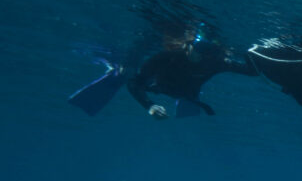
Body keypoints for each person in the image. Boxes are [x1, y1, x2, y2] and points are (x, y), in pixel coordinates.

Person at [69, 25, 256, 119]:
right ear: (188, 45)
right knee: (128, 72)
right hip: (159, 86)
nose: (199, 55)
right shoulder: (167, 56)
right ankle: (117, 71)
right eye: (197, 48)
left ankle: (189, 96)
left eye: (206, 51)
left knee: (189, 88)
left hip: (186, 91)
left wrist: (256, 54)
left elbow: (251, 71)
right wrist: (149, 106)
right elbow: (136, 83)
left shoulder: (217, 62)